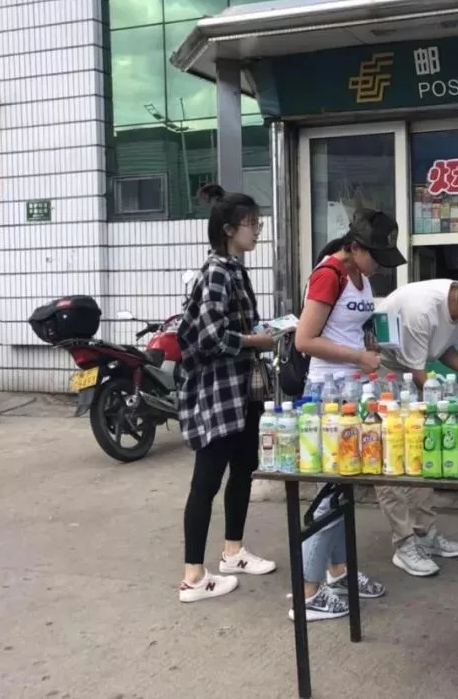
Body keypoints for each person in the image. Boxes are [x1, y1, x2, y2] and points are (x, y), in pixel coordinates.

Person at [291, 208, 406, 621]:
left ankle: (338, 572)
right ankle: (307, 592)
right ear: (355, 247)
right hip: (327, 394)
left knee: (343, 488)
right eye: (376, 255)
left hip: (355, 392)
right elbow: (305, 340)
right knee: (328, 493)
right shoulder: (328, 274)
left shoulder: (361, 276)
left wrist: (370, 352)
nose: (379, 265)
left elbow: (353, 328)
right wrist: (358, 357)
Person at [176, 183, 277, 603]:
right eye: (251, 224)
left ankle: (233, 552)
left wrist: (265, 333)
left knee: (243, 468)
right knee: (207, 481)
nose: (257, 232)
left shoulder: (234, 269)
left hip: (242, 390)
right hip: (218, 392)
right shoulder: (217, 271)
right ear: (229, 229)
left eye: (257, 224)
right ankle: (193, 577)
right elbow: (211, 336)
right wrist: (257, 340)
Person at [375, 273, 458, 576]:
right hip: (384, 372)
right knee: (392, 459)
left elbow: (442, 349)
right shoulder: (420, 312)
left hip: (410, 371)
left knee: (423, 451)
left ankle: (425, 532)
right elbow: (417, 373)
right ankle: (404, 542)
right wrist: (453, 404)